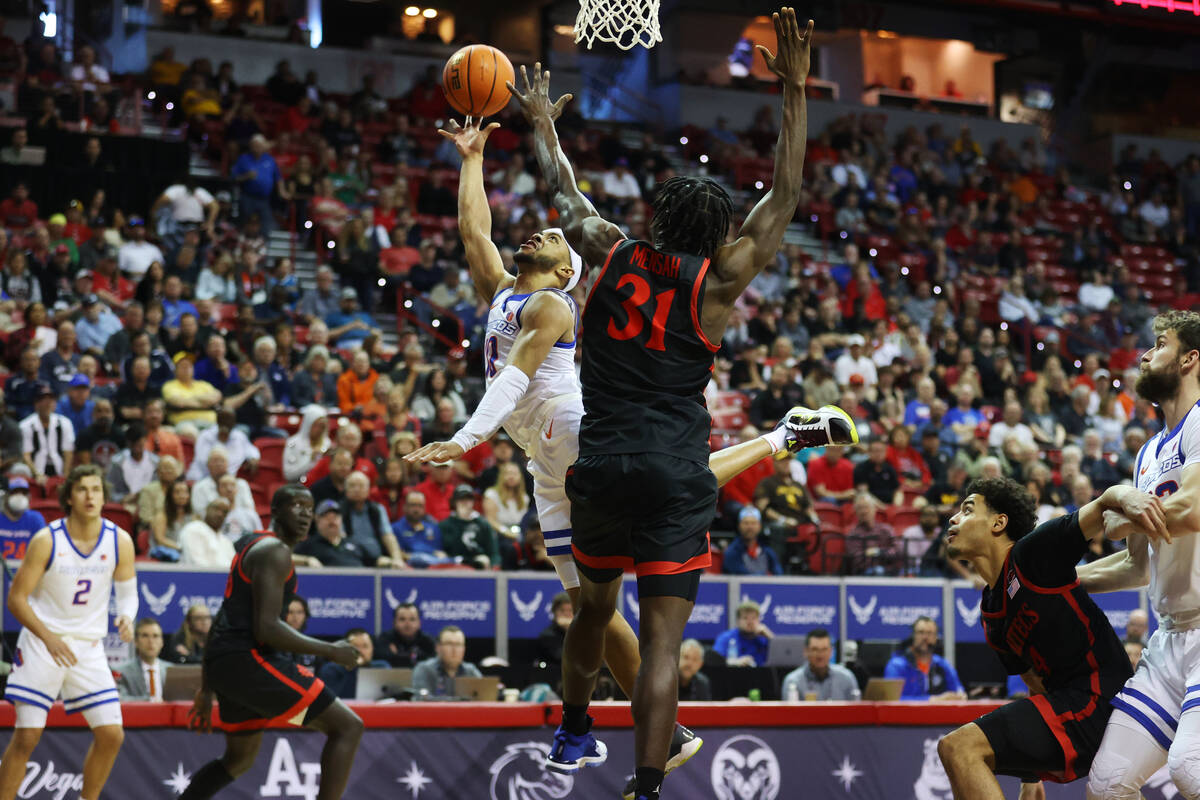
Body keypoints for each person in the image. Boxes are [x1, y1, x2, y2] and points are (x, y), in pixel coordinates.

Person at [413, 25, 842, 791]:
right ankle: (646, 784)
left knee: (588, 611)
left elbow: (563, 193)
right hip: (667, 472)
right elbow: (783, 197)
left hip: (596, 462)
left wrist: (544, 124)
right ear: (715, 236)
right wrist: (795, 91)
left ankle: (576, 724)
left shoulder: (604, 252)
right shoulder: (715, 285)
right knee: (660, 644)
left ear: (658, 217)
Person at [937, 477, 1151, 800]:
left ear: (999, 522)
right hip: (1070, 707)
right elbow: (1035, 684)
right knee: (959, 750)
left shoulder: (1034, 553)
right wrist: (1030, 773)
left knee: (959, 748)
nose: (953, 518)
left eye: (967, 510)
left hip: (1103, 700)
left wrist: (1127, 495)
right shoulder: (991, 612)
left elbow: (1106, 501)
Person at [1075, 310, 1200, 799]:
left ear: (1191, 358)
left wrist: (1123, 513)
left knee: (1191, 767)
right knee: (1108, 784)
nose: (1145, 355)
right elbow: (1135, 565)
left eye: (1159, 344)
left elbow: (1190, 509)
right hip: (1169, 639)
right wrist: (1062, 579)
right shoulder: (1147, 453)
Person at [179, 484, 364, 800]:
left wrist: (209, 687)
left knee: (238, 760)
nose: (305, 514)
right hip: (250, 662)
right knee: (347, 728)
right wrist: (330, 650)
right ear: (275, 512)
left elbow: (222, 618)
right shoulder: (274, 551)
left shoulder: (253, 546)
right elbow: (267, 629)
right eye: (296, 506)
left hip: (228, 666)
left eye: (310, 508)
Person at [0, 464, 137, 800]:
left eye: (96, 489)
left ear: (105, 497)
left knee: (112, 735)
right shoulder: (47, 540)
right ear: (69, 497)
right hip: (41, 644)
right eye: (82, 489)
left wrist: (128, 618)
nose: (90, 496)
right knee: (27, 737)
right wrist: (48, 638)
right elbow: (16, 600)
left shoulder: (120, 540)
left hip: (88, 649)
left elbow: (128, 594)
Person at [884, 616, 964, 700]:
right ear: (913, 636)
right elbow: (891, 699)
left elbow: (958, 690)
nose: (925, 637)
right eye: (921, 632)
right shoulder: (897, 665)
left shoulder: (942, 664)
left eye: (930, 633)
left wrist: (960, 696)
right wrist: (931, 700)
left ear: (936, 638)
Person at [781, 629, 862, 701]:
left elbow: (857, 712)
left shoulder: (846, 678)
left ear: (831, 651)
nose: (820, 655)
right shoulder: (793, 682)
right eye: (815, 649)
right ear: (806, 651)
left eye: (824, 649)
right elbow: (789, 715)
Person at [297, 498, 378, 567]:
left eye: (335, 517)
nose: (332, 521)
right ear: (317, 519)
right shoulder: (310, 544)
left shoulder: (353, 543)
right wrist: (307, 560)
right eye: (327, 517)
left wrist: (385, 561)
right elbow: (288, 558)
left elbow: (374, 560)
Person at [21, 382, 75, 485]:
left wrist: (65, 476)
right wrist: (37, 475)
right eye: (43, 400)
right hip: (35, 471)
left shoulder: (65, 423)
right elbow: (26, 456)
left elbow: (68, 453)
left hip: (58, 468)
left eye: (51, 399)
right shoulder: (25, 425)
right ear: (36, 404)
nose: (48, 403)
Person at [186, 408, 261, 481]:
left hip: (228, 481)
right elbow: (202, 461)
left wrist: (253, 458)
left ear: (234, 423)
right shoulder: (205, 436)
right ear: (217, 420)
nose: (225, 423)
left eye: (229, 420)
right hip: (202, 478)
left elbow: (251, 450)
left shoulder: (239, 437)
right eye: (223, 419)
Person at [439, 484, 501, 569]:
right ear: (454, 502)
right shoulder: (444, 525)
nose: (465, 502)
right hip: (452, 564)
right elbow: (442, 551)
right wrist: (461, 520)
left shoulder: (482, 524)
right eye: (461, 499)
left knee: (484, 560)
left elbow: (493, 552)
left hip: (477, 564)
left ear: (473, 501)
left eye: (468, 498)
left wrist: (494, 567)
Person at [411, 625, 482, 698]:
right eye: (449, 644)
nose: (454, 649)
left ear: (464, 649)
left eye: (458, 644)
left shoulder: (471, 672)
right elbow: (421, 700)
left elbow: (483, 698)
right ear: (438, 647)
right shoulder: (424, 670)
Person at [316, 629, 387, 699]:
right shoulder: (331, 670)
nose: (360, 651)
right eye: (355, 646)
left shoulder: (382, 668)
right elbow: (330, 700)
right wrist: (351, 667)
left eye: (365, 646)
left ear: (372, 649)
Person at [390, 491, 451, 567]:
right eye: (413, 505)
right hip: (408, 570)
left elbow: (440, 553)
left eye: (420, 506)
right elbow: (401, 554)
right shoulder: (395, 528)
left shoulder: (433, 528)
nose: (416, 509)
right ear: (404, 507)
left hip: (433, 570)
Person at [116, 618, 170, 702]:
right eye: (145, 636)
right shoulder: (120, 671)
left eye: (155, 636)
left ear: (162, 642)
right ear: (136, 642)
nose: (151, 641)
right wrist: (151, 701)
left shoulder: (172, 670)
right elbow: (120, 699)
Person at [722, 507, 783, 575]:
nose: (750, 527)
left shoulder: (767, 550)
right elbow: (742, 576)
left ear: (760, 526)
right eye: (746, 523)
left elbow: (778, 573)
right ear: (739, 526)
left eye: (753, 523)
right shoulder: (731, 551)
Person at [713, 600, 773, 667]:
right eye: (745, 618)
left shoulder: (765, 638)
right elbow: (715, 660)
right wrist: (734, 662)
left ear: (759, 620)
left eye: (754, 618)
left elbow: (781, 660)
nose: (750, 622)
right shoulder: (726, 637)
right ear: (738, 621)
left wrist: (770, 637)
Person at [179, 499, 236, 568]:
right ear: (207, 509)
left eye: (224, 512)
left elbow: (234, 566)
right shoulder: (194, 529)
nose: (220, 514)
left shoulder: (226, 541)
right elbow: (196, 563)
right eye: (216, 509)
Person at [375, 602, 436, 668]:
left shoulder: (428, 641)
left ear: (419, 623)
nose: (407, 624)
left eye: (412, 619)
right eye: (402, 619)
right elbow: (381, 658)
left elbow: (435, 661)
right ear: (394, 623)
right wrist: (416, 656)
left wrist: (397, 655)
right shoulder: (385, 639)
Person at [0, 475, 46, 559]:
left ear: (29, 497)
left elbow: (43, 550)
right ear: (6, 496)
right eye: (15, 492)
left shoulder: (35, 519)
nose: (19, 496)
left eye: (23, 493)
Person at [283, 404, 329, 482]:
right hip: (298, 486)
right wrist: (311, 461)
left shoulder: (327, 444)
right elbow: (289, 475)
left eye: (322, 426)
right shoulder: (293, 443)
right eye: (316, 425)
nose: (319, 430)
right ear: (308, 424)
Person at [536, 592, 574, 667]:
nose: (566, 614)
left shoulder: (584, 634)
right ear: (554, 612)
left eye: (570, 610)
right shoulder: (547, 635)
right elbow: (562, 658)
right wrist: (568, 630)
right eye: (562, 610)